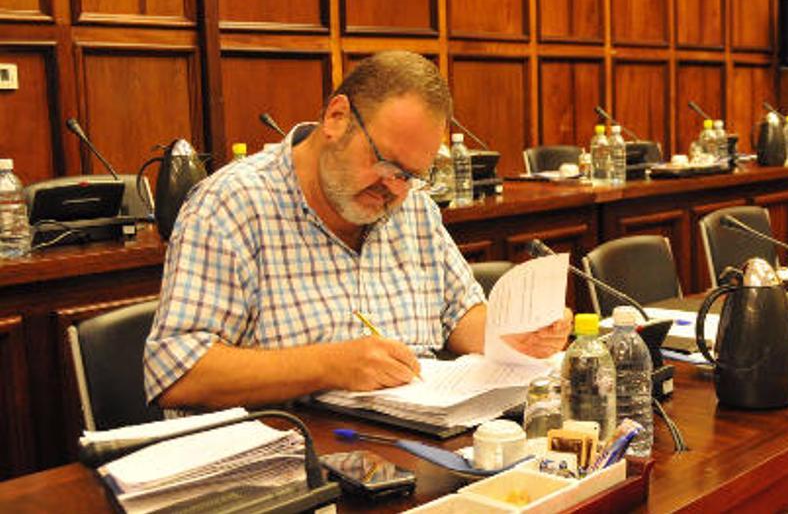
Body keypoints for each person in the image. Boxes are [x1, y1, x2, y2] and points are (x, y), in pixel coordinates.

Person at [144, 51, 571, 409]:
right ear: (336, 117)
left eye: (411, 175)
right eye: (386, 164)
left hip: (416, 444)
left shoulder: (413, 208)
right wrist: (330, 366)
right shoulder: (231, 205)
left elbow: (461, 314)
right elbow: (176, 372)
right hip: (290, 467)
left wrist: (516, 332)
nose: (395, 189)